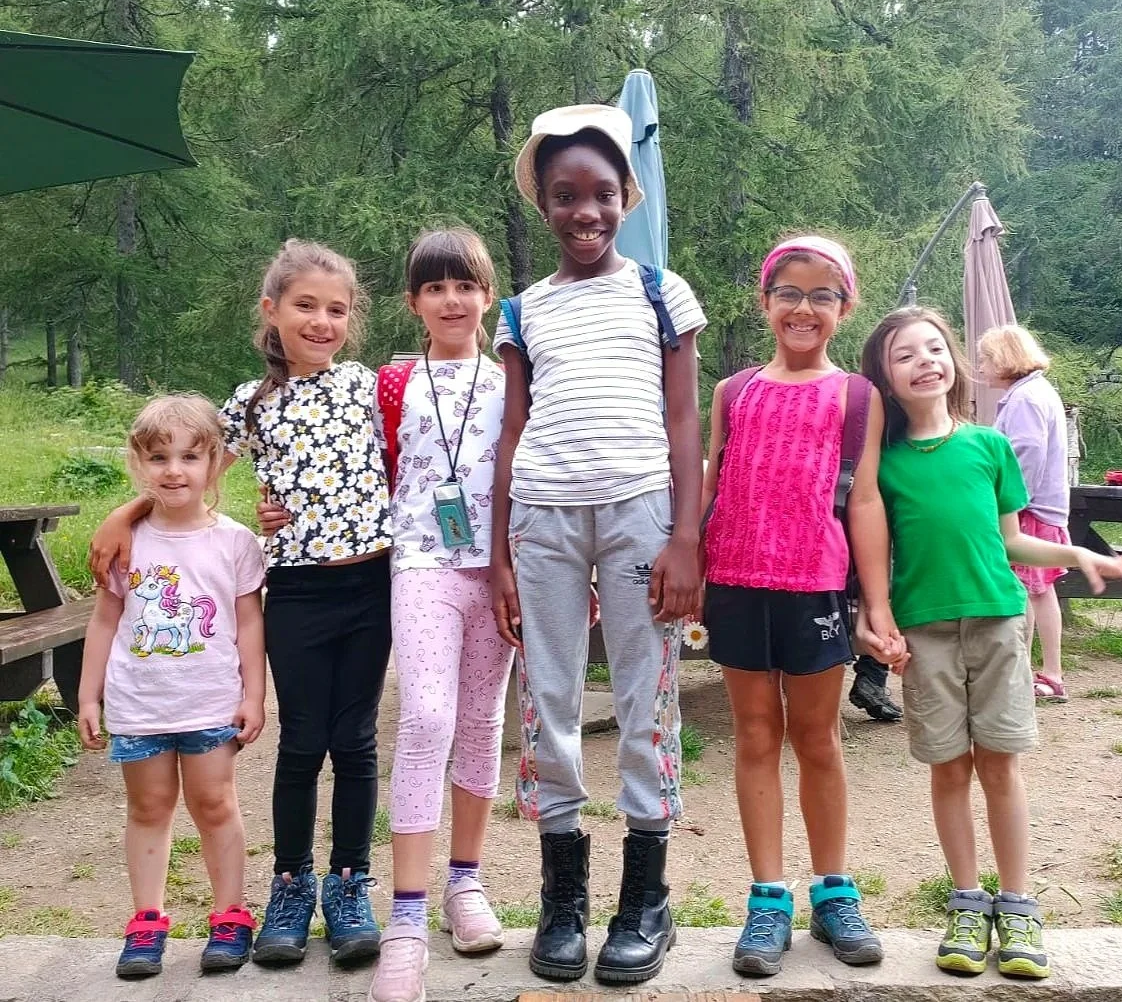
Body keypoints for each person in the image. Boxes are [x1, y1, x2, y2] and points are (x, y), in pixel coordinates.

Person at [90, 240, 393, 969]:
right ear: (271, 310)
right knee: (302, 740)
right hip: (295, 591)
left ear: (352, 319)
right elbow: (190, 472)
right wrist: (124, 514)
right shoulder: (249, 404)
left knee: (355, 742)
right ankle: (289, 886)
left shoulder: (369, 385)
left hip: (371, 585)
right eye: (305, 305)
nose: (321, 321)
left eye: (337, 309)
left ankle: (348, 883)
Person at [860, 307, 1122, 980]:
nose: (926, 361)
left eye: (936, 347)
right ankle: (966, 903)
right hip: (924, 633)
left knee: (1000, 766)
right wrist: (875, 620)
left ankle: (1017, 906)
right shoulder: (885, 465)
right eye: (905, 355)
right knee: (948, 769)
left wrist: (1079, 554)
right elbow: (873, 550)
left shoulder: (989, 447)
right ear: (884, 378)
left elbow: (1012, 539)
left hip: (998, 622)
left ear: (954, 361)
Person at [490, 104, 706, 985]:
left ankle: (646, 898)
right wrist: (500, 558)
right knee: (549, 695)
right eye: (565, 195)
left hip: (640, 511)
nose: (586, 212)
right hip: (542, 516)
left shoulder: (660, 293)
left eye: (603, 194)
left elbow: (685, 420)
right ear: (543, 203)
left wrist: (686, 535)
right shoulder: (521, 310)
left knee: (647, 694)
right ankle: (562, 900)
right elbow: (512, 433)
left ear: (626, 197)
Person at [699, 234, 903, 976]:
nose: (804, 308)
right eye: (789, 292)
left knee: (818, 738)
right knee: (755, 735)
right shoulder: (733, 392)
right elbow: (712, 484)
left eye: (823, 295)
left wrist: (877, 605)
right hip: (736, 580)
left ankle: (834, 893)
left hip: (816, 583)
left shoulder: (857, 396)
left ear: (845, 308)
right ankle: (767, 899)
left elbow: (866, 499)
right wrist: (690, 567)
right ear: (765, 302)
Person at [367, 229, 514, 1002]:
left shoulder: (512, 380)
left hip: (497, 572)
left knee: (483, 721)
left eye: (465, 286)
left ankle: (465, 881)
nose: (451, 300)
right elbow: (353, 467)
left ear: (487, 295)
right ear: (413, 302)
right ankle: (406, 917)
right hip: (422, 564)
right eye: (435, 288)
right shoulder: (392, 383)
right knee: (426, 718)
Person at [78, 395, 266, 979]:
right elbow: (105, 619)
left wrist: (253, 695)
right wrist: (87, 695)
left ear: (215, 461)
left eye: (189, 456)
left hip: (209, 702)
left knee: (215, 804)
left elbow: (249, 622)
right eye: (159, 458)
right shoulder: (125, 541)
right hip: (139, 705)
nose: (174, 470)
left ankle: (230, 915)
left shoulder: (234, 541)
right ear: (139, 463)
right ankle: (146, 920)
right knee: (149, 807)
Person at [977, 325, 1071, 702]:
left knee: (1032, 592)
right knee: (1035, 590)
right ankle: (1032, 668)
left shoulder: (1025, 399)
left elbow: (1026, 452)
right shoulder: (1035, 392)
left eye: (985, 359)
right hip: (1043, 507)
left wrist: (1011, 503)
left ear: (1004, 359)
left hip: (1030, 511)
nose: (981, 367)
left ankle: (1047, 673)